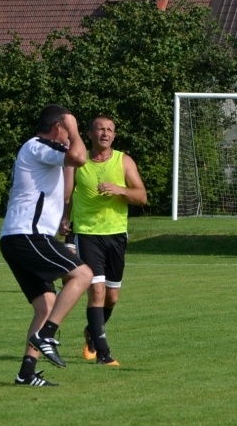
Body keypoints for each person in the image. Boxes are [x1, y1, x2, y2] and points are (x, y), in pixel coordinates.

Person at [0, 104, 92, 387]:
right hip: (27, 234)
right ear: (58, 128)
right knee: (83, 274)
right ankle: (47, 334)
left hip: (20, 237)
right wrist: (73, 130)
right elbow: (79, 156)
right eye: (67, 130)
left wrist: (71, 156)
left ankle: (26, 373)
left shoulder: (48, 153)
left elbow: (66, 190)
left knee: (46, 304)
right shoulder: (36, 145)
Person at [63, 115, 147, 366]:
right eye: (100, 129)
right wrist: (64, 219)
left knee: (112, 297)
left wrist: (121, 190)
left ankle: (91, 331)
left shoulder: (124, 161)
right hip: (87, 235)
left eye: (110, 130)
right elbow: (66, 194)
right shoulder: (78, 162)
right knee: (96, 291)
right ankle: (104, 353)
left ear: (114, 136)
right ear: (89, 134)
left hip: (116, 235)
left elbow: (142, 196)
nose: (106, 133)